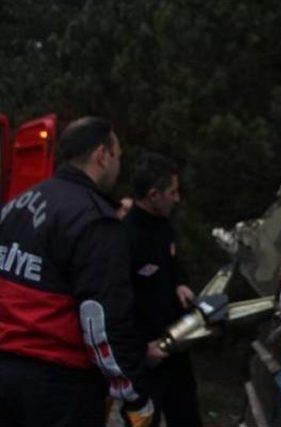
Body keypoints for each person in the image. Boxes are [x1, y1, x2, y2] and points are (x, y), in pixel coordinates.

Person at [0, 117, 154, 427]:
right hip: (57, 386)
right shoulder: (94, 220)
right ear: (102, 154)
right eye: (118, 155)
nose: (118, 164)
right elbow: (104, 319)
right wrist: (134, 392)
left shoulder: (17, 205)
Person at [122, 152, 202, 427]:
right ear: (153, 195)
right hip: (146, 360)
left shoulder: (164, 224)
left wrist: (180, 282)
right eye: (173, 192)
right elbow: (115, 304)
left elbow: (172, 261)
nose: (178, 198)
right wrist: (140, 351)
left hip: (176, 349)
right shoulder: (125, 238)